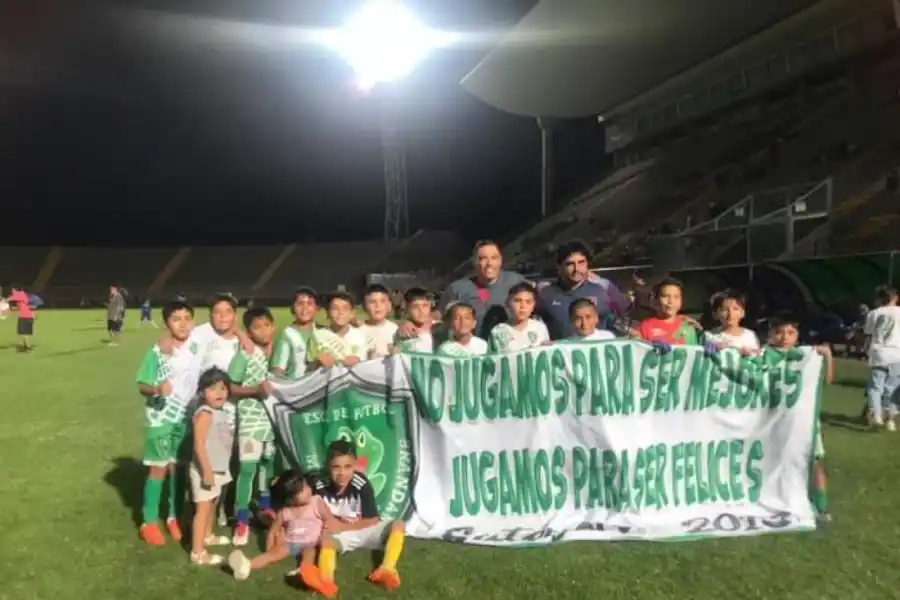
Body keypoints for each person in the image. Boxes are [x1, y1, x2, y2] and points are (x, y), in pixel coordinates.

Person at [134, 300, 202, 546]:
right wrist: (156, 389)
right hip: (161, 417)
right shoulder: (158, 351)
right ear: (166, 323)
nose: (182, 323)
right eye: (176, 319)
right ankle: (149, 521)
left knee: (178, 467)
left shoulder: (196, 344)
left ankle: (173, 517)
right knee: (158, 468)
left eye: (187, 318)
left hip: (185, 417)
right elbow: (142, 384)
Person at [313, 440, 406, 593]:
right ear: (327, 466)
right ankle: (326, 581)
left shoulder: (361, 483)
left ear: (355, 465)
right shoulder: (317, 483)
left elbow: (373, 520)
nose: (342, 473)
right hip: (339, 534)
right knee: (326, 540)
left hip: (363, 528)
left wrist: (342, 525)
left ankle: (387, 569)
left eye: (347, 467)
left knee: (399, 524)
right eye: (336, 467)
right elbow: (298, 493)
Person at [766, 312, 833, 522]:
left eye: (790, 332)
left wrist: (827, 356)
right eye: (778, 332)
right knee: (773, 461)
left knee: (815, 460)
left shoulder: (806, 356)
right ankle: (776, 500)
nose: (784, 337)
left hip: (803, 422)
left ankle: (821, 506)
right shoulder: (762, 355)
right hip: (772, 421)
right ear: (769, 335)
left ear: (797, 335)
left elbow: (827, 381)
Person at [228, 471, 338, 597]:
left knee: (309, 552)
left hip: (311, 542)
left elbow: (329, 519)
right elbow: (273, 531)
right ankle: (246, 565)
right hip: (290, 542)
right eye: (302, 490)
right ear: (290, 498)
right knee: (275, 553)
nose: (308, 489)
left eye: (306, 485)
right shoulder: (285, 512)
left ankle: (304, 572)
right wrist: (270, 549)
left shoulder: (316, 502)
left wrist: (326, 533)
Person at [227, 306, 278, 547]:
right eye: (257, 327)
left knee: (266, 466)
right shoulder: (245, 354)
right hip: (249, 422)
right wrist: (255, 390)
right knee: (247, 470)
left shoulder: (275, 352)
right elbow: (231, 387)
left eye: (267, 325)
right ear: (249, 331)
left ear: (273, 326)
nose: (263, 331)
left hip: (271, 423)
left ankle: (266, 509)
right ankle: (241, 520)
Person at [429, 240, 526, 339]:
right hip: (473, 349)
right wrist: (414, 323)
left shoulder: (516, 282)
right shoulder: (457, 288)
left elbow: (536, 308)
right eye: (483, 258)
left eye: (494, 258)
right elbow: (437, 315)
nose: (489, 263)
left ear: (500, 260)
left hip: (510, 345)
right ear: (474, 262)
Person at [189, 367, 235, 565]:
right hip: (205, 469)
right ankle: (198, 552)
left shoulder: (220, 411)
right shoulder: (205, 414)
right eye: (212, 389)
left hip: (219, 467)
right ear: (202, 392)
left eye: (223, 388)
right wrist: (206, 471)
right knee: (203, 509)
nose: (219, 393)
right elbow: (198, 444)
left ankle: (207, 535)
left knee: (212, 503)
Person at [537, 241, 627, 340]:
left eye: (581, 262)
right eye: (570, 264)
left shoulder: (602, 289)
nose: (577, 269)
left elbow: (616, 319)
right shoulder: (545, 294)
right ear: (559, 267)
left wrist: (628, 331)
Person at [864, 286, 900, 430]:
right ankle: (890, 419)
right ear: (895, 298)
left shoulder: (874, 313)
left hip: (879, 352)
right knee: (891, 388)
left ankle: (876, 415)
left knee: (875, 387)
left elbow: (868, 331)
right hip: (897, 354)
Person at [271, 287, 320, 378]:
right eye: (300, 304)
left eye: (309, 303)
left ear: (316, 309)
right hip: (297, 387)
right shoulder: (287, 334)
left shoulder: (322, 331)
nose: (305, 308)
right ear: (292, 309)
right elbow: (277, 370)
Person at [637, 277, 702, 345]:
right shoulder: (645, 327)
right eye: (665, 296)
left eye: (676, 297)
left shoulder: (689, 325)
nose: (671, 301)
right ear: (656, 299)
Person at [489, 282, 550, 352]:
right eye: (517, 301)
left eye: (528, 302)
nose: (523, 306)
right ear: (508, 303)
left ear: (533, 305)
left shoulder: (540, 328)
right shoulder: (497, 332)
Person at [314, 291, 368, 367]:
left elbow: (364, 362)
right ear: (327, 313)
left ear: (352, 313)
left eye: (345, 308)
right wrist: (318, 360)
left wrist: (358, 360)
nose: (340, 312)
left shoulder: (360, 336)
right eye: (335, 308)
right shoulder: (318, 335)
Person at [705, 289, 760, 353]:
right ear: (715, 314)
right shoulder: (710, 336)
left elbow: (757, 357)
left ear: (743, 313)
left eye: (735, 309)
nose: (731, 314)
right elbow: (705, 354)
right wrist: (716, 348)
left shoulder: (750, 335)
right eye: (724, 309)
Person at [359, 283, 399, 358]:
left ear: (389, 305)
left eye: (383, 301)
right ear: (364, 306)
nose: (378, 306)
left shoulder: (395, 329)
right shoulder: (359, 331)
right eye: (372, 302)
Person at [393, 287, 435, 353]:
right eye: (415, 306)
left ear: (430, 306)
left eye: (425, 305)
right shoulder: (405, 331)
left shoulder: (435, 327)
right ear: (406, 309)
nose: (421, 311)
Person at [7, 284, 35, 351]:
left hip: (25, 315)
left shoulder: (20, 294)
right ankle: (26, 346)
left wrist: (3, 300)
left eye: (13, 290)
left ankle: (27, 347)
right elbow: (19, 306)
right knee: (24, 332)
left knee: (24, 332)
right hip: (27, 315)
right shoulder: (21, 295)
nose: (12, 291)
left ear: (16, 290)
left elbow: (9, 299)